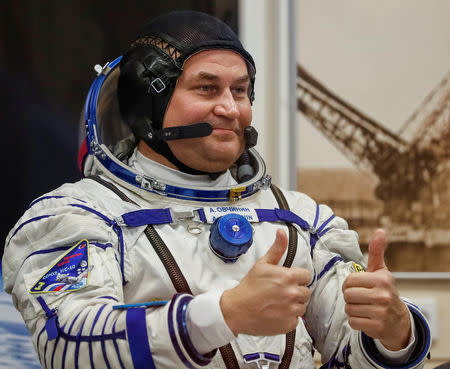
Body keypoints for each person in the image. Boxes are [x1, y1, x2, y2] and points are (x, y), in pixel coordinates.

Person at [2, 10, 431, 369]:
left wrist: (394, 333)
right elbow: (68, 343)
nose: (230, 109)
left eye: (240, 91)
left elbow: (348, 353)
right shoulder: (74, 216)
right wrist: (223, 315)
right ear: (148, 103)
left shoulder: (302, 218)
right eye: (207, 88)